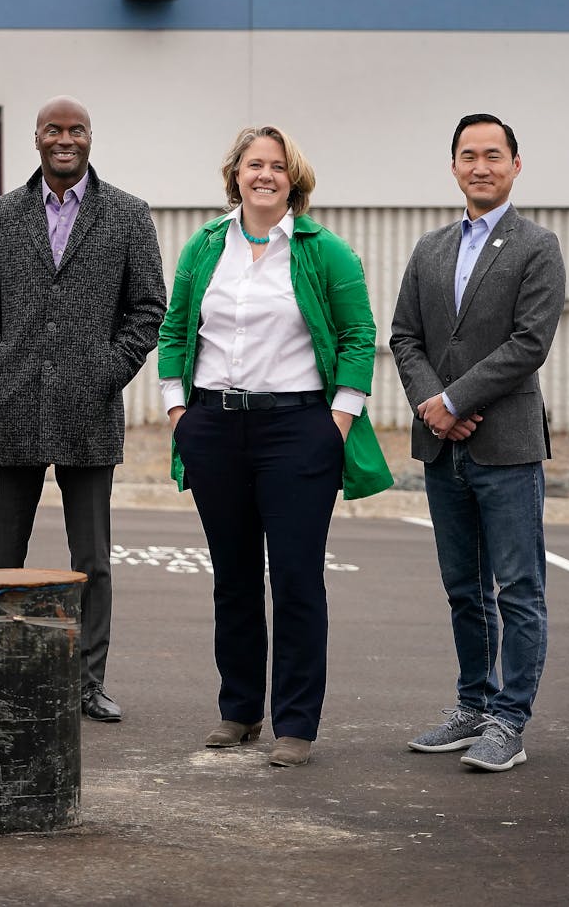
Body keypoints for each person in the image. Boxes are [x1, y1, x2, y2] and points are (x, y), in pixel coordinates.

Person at [158, 125, 393, 767]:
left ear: (294, 179)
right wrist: (179, 411)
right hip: (214, 425)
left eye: (278, 166)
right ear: (235, 173)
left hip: (298, 430)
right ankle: (238, 712)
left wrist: (338, 422)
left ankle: (296, 724)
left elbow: (358, 334)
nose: (266, 175)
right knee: (233, 580)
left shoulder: (324, 251)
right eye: (254, 164)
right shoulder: (207, 245)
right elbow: (176, 326)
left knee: (295, 579)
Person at [0, 95, 166, 724]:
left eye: (76, 130)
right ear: (36, 138)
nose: (64, 139)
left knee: (91, 560)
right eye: (53, 130)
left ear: (91, 137)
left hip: (89, 409)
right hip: (15, 407)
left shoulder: (128, 215)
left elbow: (147, 310)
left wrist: (105, 374)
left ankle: (86, 682)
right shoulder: (4, 215)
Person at [390, 113, 566, 772]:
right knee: (464, 587)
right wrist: (434, 408)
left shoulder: (537, 245)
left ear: (516, 165)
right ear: (455, 165)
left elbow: (530, 342)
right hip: (443, 447)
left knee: (519, 589)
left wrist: (455, 400)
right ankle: (472, 704)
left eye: (494, 154)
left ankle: (509, 721)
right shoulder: (430, 247)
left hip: (507, 445)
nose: (481, 165)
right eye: (469, 154)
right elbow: (404, 335)